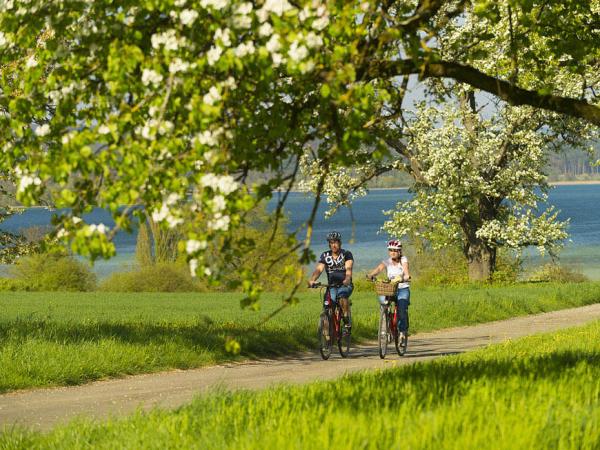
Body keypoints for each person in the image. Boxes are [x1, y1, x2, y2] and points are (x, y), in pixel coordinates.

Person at [308, 231, 354, 331]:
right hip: (331, 286)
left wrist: (347, 278)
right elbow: (319, 269)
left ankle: (347, 322)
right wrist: (312, 280)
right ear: (329, 243)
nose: (334, 245)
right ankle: (326, 336)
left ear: (340, 243)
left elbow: (349, 268)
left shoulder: (346, 254)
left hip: (345, 285)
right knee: (328, 305)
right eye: (331, 242)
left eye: (336, 242)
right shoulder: (325, 255)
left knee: (342, 297)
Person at [366, 239, 411, 339]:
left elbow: (406, 270)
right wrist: (371, 275)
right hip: (390, 288)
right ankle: (385, 328)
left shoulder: (403, 259)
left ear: (399, 251)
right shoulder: (387, 261)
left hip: (402, 288)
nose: (393, 253)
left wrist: (406, 276)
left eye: (395, 250)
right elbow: (379, 269)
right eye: (390, 250)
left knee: (402, 309)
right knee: (383, 304)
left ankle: (403, 332)